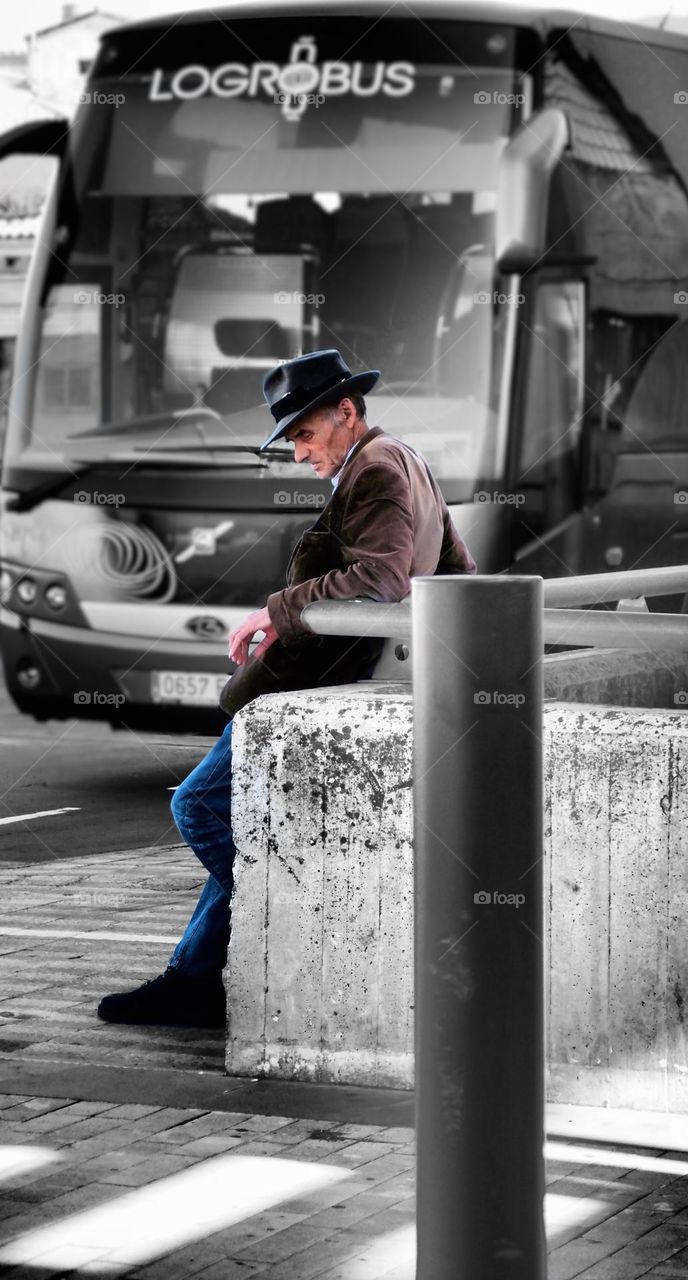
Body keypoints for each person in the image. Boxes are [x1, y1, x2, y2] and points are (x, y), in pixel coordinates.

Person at [98, 349, 476, 1026]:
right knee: (248, 822)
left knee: (199, 807)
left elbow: (379, 582)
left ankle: (304, 916)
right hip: (326, 689)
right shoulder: (406, 460)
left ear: (347, 412)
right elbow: (458, 573)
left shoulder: (378, 470)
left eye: (305, 434)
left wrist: (274, 610)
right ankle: (195, 979)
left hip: (307, 694)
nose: (299, 453)